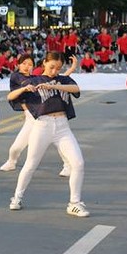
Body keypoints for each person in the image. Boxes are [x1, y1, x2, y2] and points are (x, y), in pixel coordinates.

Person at [7, 51, 89, 217]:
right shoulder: (34, 80)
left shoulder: (62, 79)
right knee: (30, 164)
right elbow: (11, 96)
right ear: (44, 63)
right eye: (51, 67)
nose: (54, 71)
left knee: (78, 163)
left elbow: (76, 88)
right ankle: (17, 197)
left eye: (58, 68)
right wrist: (24, 88)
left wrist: (54, 85)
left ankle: (74, 203)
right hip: (42, 126)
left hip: (62, 127)